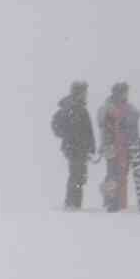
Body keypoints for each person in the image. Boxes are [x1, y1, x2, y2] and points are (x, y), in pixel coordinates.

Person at [50, 80, 95, 209]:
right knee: (77, 175)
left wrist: (91, 146)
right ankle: (72, 203)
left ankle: (74, 203)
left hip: (78, 147)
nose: (86, 95)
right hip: (74, 147)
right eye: (84, 92)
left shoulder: (79, 108)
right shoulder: (71, 108)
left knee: (79, 175)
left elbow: (88, 130)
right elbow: (57, 126)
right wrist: (69, 136)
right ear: (78, 92)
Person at [97, 82, 140, 211]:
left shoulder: (126, 107)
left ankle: (119, 201)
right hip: (113, 145)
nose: (126, 94)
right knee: (113, 174)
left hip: (124, 146)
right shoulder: (108, 107)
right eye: (124, 91)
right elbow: (105, 127)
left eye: (126, 92)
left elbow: (132, 125)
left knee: (121, 173)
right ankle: (112, 201)